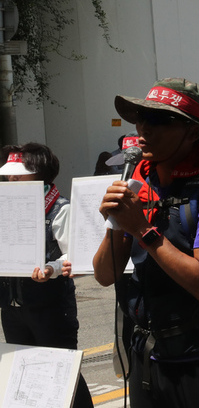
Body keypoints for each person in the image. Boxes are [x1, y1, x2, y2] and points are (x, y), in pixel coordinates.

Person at [92, 78, 199, 408]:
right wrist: (116, 223)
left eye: (159, 120)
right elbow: (104, 275)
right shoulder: (139, 182)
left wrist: (141, 228)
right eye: (141, 118)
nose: (144, 130)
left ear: (193, 133)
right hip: (146, 356)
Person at [0, 143, 94, 408]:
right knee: (24, 373)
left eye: (19, 172)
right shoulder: (5, 207)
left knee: (61, 373)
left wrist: (51, 269)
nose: (11, 178)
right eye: (8, 173)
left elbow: (73, 254)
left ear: (40, 172)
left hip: (50, 307)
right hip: (11, 307)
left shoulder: (59, 209)